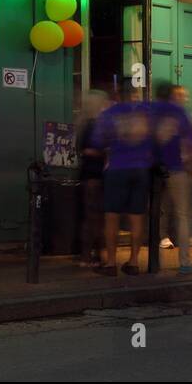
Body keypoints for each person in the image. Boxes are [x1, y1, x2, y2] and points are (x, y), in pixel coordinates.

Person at [84, 91, 154, 275]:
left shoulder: (110, 114)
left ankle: (111, 263)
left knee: (111, 216)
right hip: (141, 170)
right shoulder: (147, 113)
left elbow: (97, 142)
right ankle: (133, 262)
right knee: (136, 217)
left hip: (117, 168)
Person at [151, 81, 192, 274]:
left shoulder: (150, 110)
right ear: (172, 94)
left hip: (153, 168)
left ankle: (153, 261)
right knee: (182, 215)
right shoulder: (179, 112)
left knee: (156, 211)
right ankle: (185, 262)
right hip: (177, 168)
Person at [75, 90, 110, 267]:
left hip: (88, 174)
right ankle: (91, 256)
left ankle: (89, 256)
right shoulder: (94, 125)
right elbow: (89, 149)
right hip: (95, 174)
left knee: (91, 217)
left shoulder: (84, 124)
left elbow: (82, 149)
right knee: (96, 218)